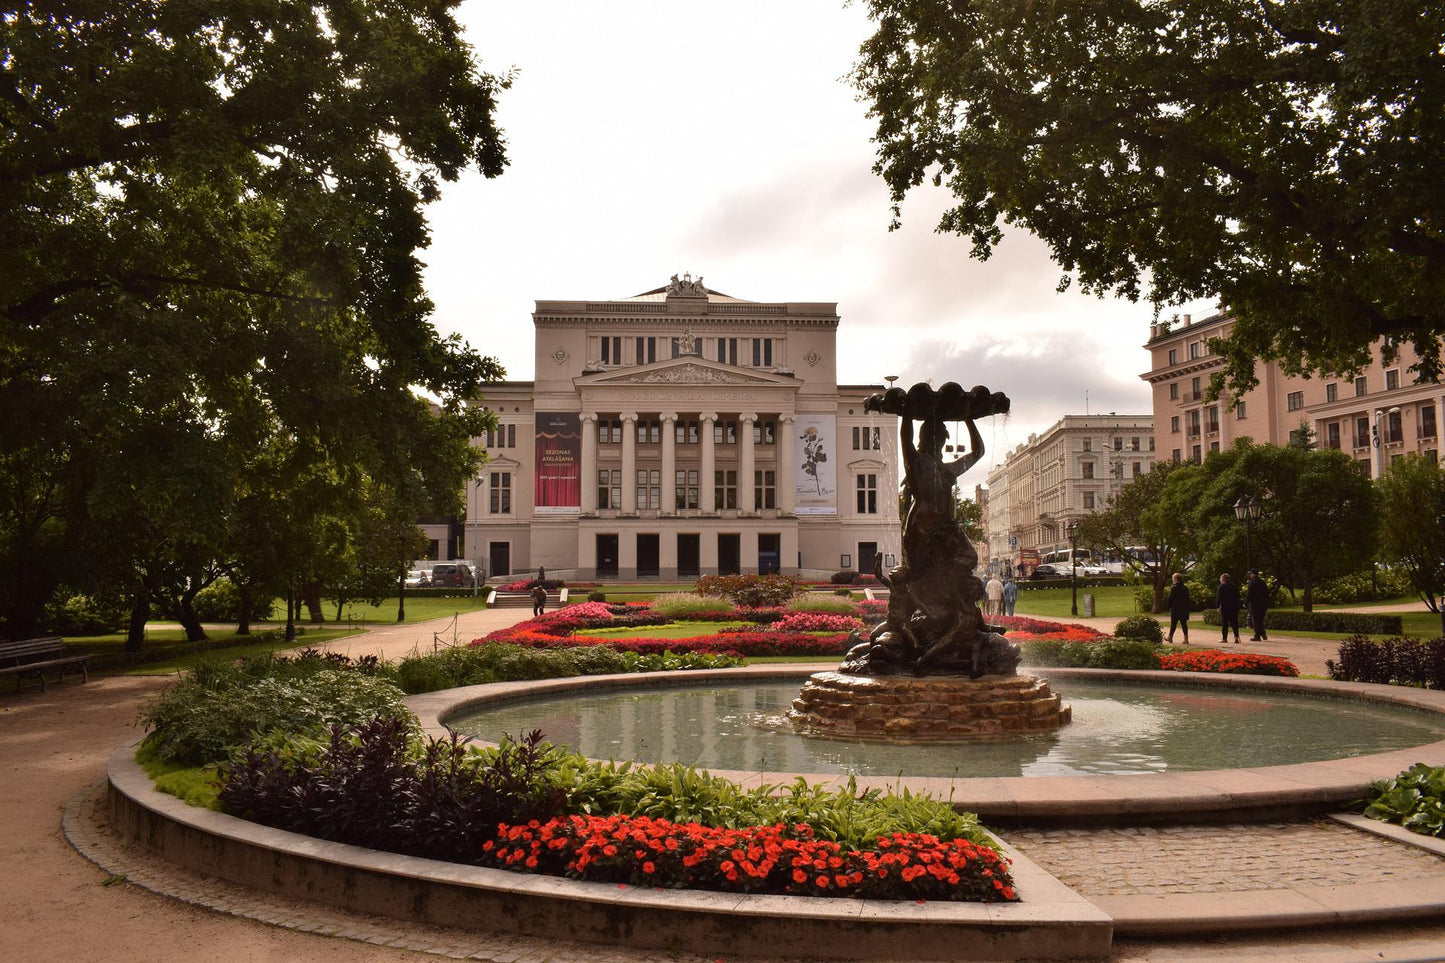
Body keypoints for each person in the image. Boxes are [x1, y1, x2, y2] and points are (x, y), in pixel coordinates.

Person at [1216, 573, 1242, 644]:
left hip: (1225, 607)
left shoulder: (1221, 587)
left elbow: (1219, 598)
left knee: (1225, 623)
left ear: (1223, 579)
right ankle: (1236, 637)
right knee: (1234, 622)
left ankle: (1224, 638)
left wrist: (1218, 606)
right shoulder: (1234, 586)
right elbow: (1238, 596)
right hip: (1234, 606)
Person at [1166, 572, 1191, 644]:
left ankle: (1170, 637)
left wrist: (1168, 607)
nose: (1172, 580)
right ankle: (1186, 639)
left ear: (1176, 579)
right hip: (1184, 608)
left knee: (1173, 623)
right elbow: (1188, 598)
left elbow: (1170, 598)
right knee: (1184, 623)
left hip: (1175, 608)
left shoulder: (1174, 587)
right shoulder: (1185, 588)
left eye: (1173, 578)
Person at [1246, 570, 1270, 641]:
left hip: (1254, 604)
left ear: (1253, 574)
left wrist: (1246, 602)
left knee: (1255, 620)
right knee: (1260, 620)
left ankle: (1257, 636)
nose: (1250, 575)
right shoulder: (1262, 582)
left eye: (1250, 574)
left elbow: (1250, 594)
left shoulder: (1252, 582)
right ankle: (1263, 634)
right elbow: (1266, 593)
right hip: (1263, 604)